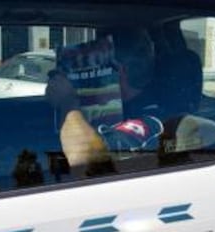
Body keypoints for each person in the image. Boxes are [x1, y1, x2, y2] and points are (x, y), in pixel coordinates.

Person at [45, 28, 162, 175]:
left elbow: (86, 164)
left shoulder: (150, 120)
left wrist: (68, 104)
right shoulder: (125, 105)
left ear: (117, 70)